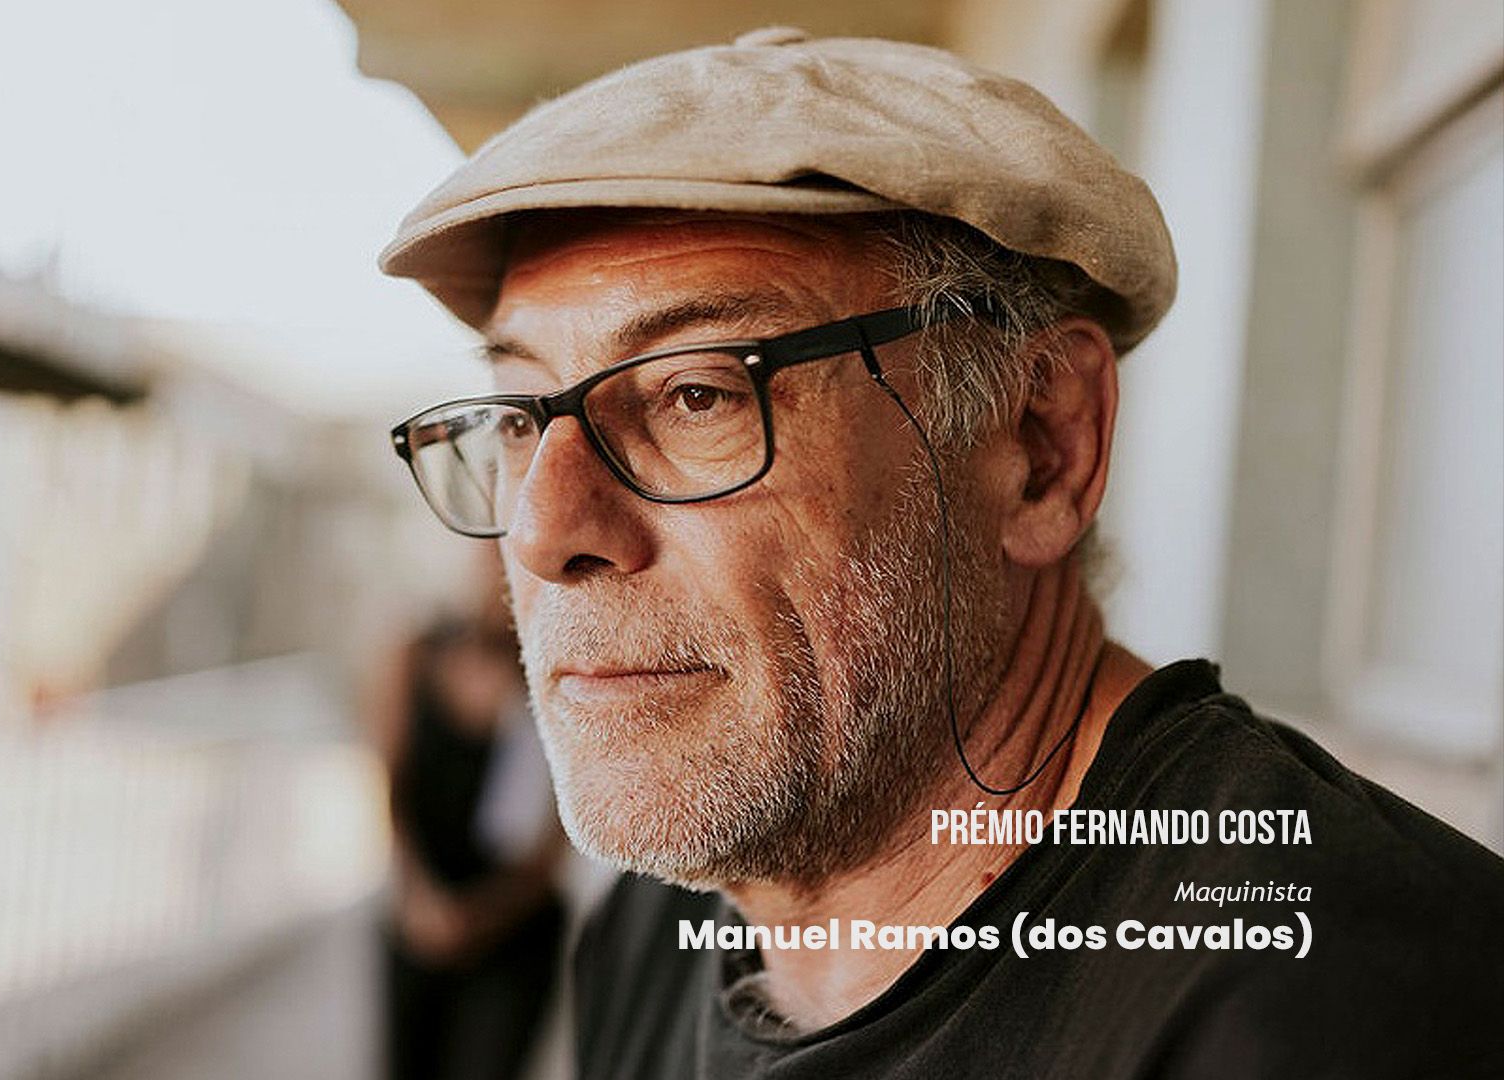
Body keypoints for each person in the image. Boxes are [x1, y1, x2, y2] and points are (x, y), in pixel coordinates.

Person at [374, 29, 1504, 1079]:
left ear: (1042, 447)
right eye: (518, 418)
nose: (544, 531)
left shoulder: (1343, 1004)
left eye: (697, 392)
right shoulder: (659, 919)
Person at [366, 546, 568, 1080]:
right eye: (490, 558)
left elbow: (556, 836)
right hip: (417, 912)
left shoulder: (556, 669)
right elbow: (389, 784)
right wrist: (419, 898)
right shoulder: (416, 654)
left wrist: (478, 919)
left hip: (515, 926)